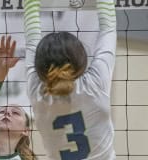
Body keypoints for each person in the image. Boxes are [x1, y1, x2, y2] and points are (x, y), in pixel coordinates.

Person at [24, 0, 116, 159]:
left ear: (40, 66)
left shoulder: (37, 91)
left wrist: (30, 3)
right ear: (80, 60)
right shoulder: (94, 83)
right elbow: (108, 30)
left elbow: (32, 42)